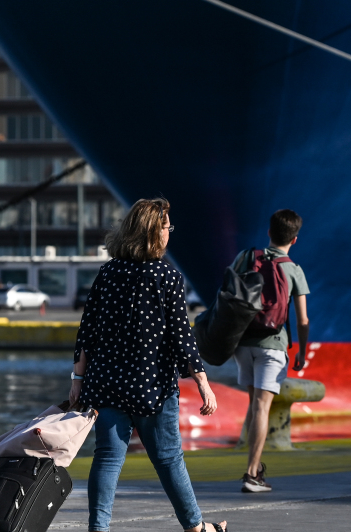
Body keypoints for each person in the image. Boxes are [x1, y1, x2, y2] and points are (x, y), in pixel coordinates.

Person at [70, 198, 226, 532]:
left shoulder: (107, 273)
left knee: (108, 458)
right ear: (155, 234)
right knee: (169, 459)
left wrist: (76, 380)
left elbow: (88, 332)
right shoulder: (167, 276)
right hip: (152, 387)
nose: (171, 232)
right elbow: (181, 338)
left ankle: (98, 529)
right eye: (168, 227)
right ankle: (196, 528)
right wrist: (203, 384)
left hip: (107, 384)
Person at [231, 209, 310, 494]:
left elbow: (227, 295)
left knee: (255, 406)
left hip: (244, 344)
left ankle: (256, 466)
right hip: (273, 345)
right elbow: (302, 319)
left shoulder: (246, 258)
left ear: (269, 233)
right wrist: (301, 351)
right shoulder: (294, 270)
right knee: (262, 407)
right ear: (295, 239)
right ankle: (252, 473)